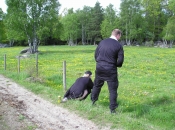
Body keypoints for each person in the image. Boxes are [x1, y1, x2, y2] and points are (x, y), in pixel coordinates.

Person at [91, 29, 124, 113]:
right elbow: (120, 61)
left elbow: (96, 55)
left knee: (97, 85)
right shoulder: (118, 45)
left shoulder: (102, 42)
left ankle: (93, 101)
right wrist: (115, 65)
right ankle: (112, 109)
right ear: (118, 35)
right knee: (112, 89)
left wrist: (100, 62)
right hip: (111, 69)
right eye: (120, 36)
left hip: (100, 67)